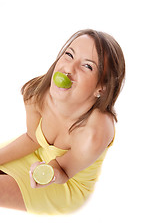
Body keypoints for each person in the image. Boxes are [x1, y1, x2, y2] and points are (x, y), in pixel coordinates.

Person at [0, 29, 125, 215]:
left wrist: (45, 174)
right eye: (69, 55)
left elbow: (63, 171)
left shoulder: (94, 132)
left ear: (102, 87)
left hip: (67, 182)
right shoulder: (35, 94)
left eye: (87, 66)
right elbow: (32, 138)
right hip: (36, 155)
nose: (68, 69)